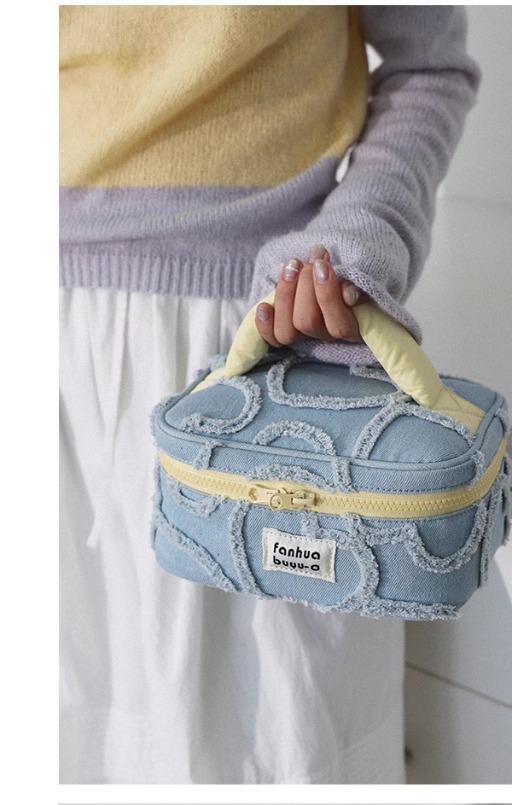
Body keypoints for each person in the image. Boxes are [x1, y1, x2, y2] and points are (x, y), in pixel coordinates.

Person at [59, 5, 480, 784]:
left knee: (279, 753)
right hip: (52, 365)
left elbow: (430, 68)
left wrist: (355, 238)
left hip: (269, 358)